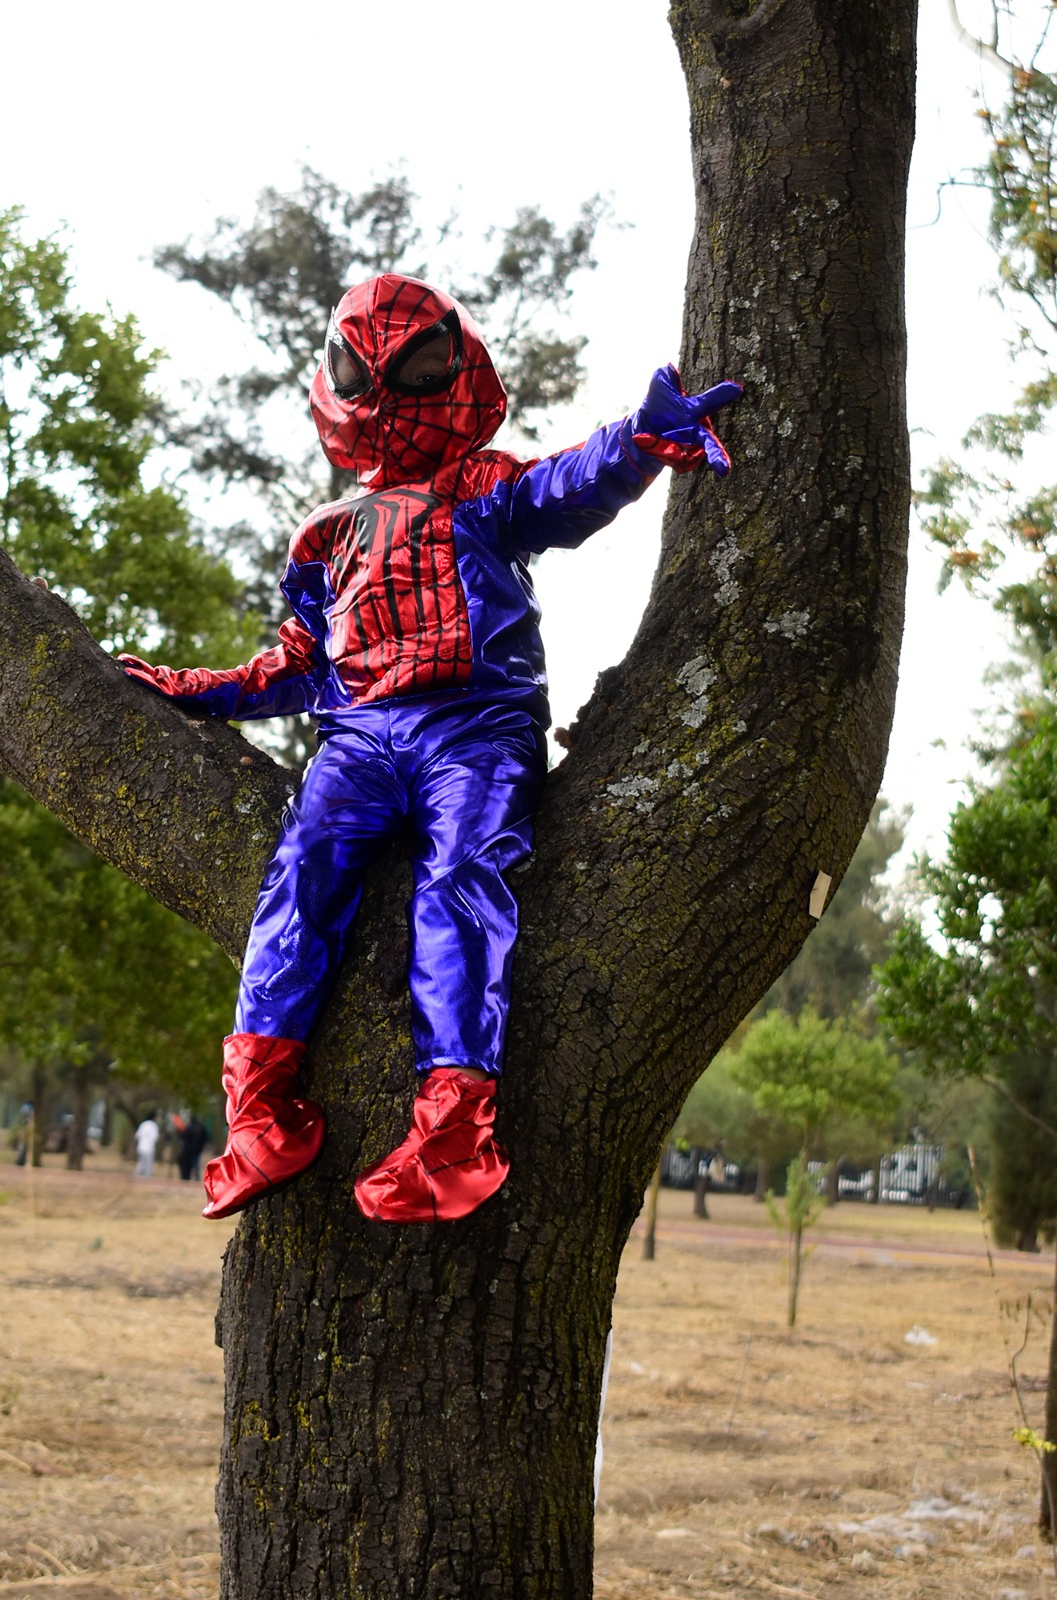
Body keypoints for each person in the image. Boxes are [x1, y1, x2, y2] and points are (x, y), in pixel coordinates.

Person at [120, 274, 740, 1225]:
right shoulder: (325, 536)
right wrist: (195, 689)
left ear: (456, 368)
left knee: (461, 885)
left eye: (414, 368)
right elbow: (297, 663)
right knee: (299, 877)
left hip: (476, 730)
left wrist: (636, 440)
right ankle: (257, 1115)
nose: (386, 396)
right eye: (365, 373)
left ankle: (454, 1132)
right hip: (359, 739)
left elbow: (559, 485)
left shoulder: (484, 488)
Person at [133, 1112, 160, 1178]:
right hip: (149, 1148)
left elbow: (137, 1136)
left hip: (141, 1147)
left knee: (141, 1163)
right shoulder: (153, 1125)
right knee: (148, 1164)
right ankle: (147, 1178)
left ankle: (137, 1176)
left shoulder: (143, 1124)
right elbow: (155, 1137)